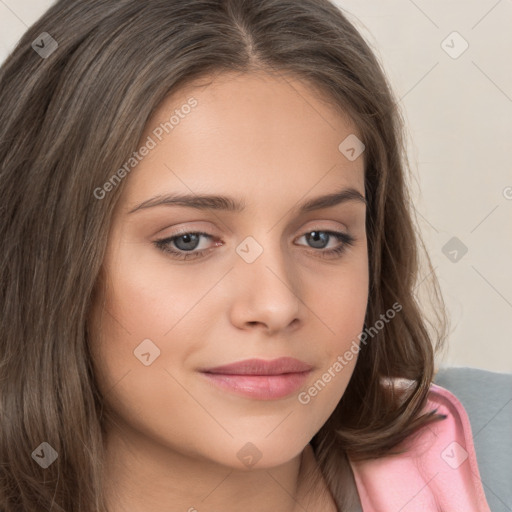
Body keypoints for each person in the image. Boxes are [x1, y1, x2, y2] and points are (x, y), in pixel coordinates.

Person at [0, 1, 491, 511]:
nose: (277, 305)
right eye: (188, 240)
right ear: (43, 257)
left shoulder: (492, 451)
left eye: (321, 237)